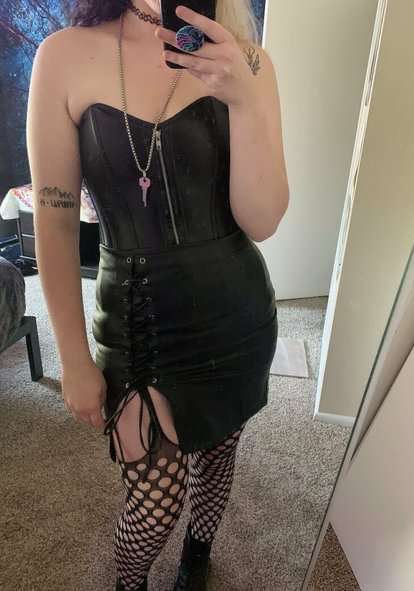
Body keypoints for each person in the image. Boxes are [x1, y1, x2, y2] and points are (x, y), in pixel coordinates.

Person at [26, 0, 289, 589]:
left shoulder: (250, 63)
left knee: (218, 458)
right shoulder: (63, 56)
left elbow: (262, 220)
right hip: (136, 325)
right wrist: (73, 359)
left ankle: (198, 557)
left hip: (236, 316)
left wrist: (244, 99)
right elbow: (55, 222)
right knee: (153, 504)